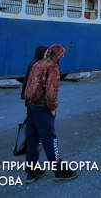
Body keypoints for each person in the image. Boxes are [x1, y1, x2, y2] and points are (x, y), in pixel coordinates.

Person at [24, 44, 78, 183]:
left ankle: (32, 171)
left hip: (31, 107)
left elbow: (28, 85)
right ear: (58, 55)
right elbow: (51, 92)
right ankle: (59, 170)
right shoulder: (53, 67)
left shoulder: (37, 64)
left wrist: (28, 104)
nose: (63, 56)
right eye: (62, 54)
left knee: (32, 140)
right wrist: (52, 108)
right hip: (43, 109)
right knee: (50, 139)